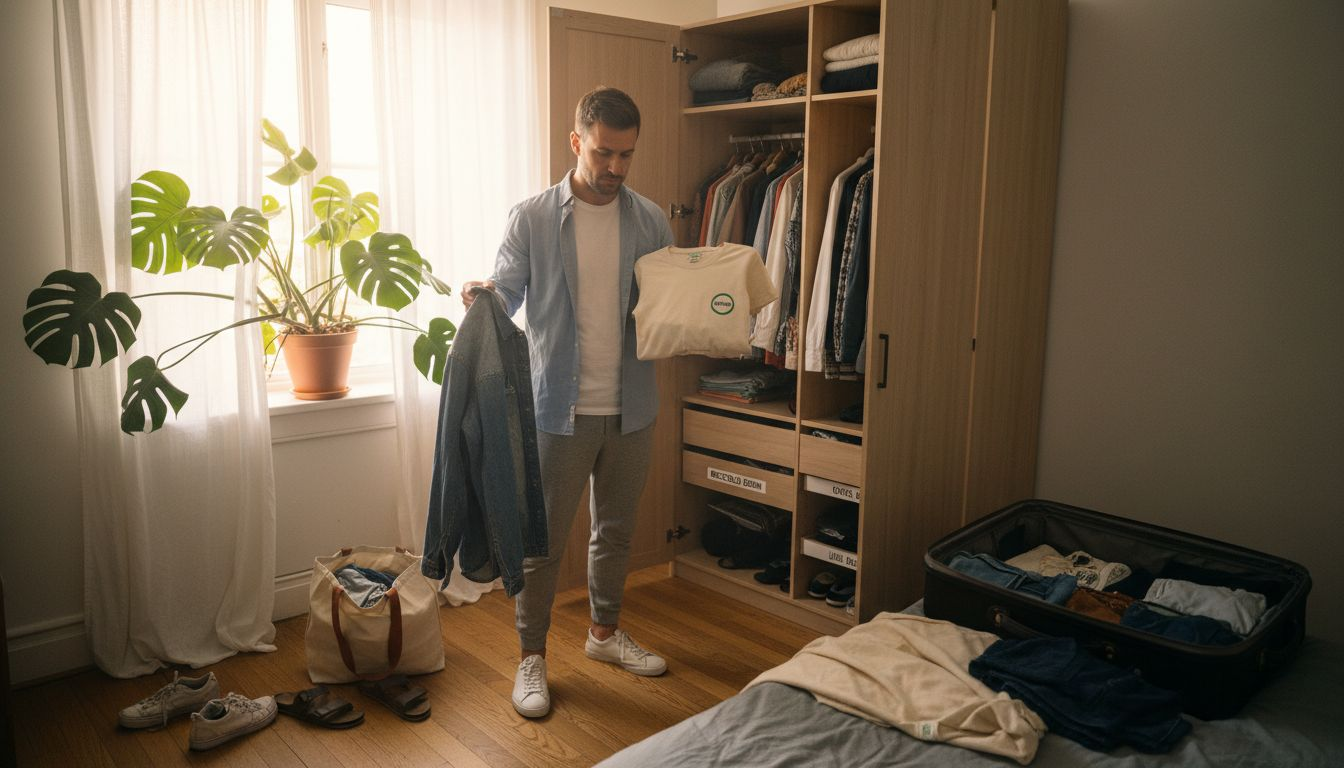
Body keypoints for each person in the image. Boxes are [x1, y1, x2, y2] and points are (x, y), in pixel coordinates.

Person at [461, 86, 674, 719]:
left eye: (627, 156)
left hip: (632, 407)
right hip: (558, 409)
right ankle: (532, 657)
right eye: (604, 152)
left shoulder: (651, 220)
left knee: (616, 531)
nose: (615, 168)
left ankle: (604, 636)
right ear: (576, 141)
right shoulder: (530, 218)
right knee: (543, 540)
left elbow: (666, 304)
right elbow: (507, 297)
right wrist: (484, 297)